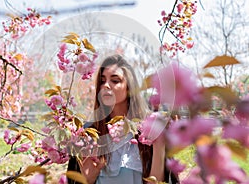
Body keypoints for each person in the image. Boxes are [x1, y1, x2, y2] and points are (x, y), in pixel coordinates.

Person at [67, 54, 178, 184]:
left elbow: (158, 181)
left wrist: (159, 145)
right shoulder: (89, 134)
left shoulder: (149, 128)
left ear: (129, 87)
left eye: (115, 80)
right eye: (102, 81)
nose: (106, 86)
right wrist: (87, 180)